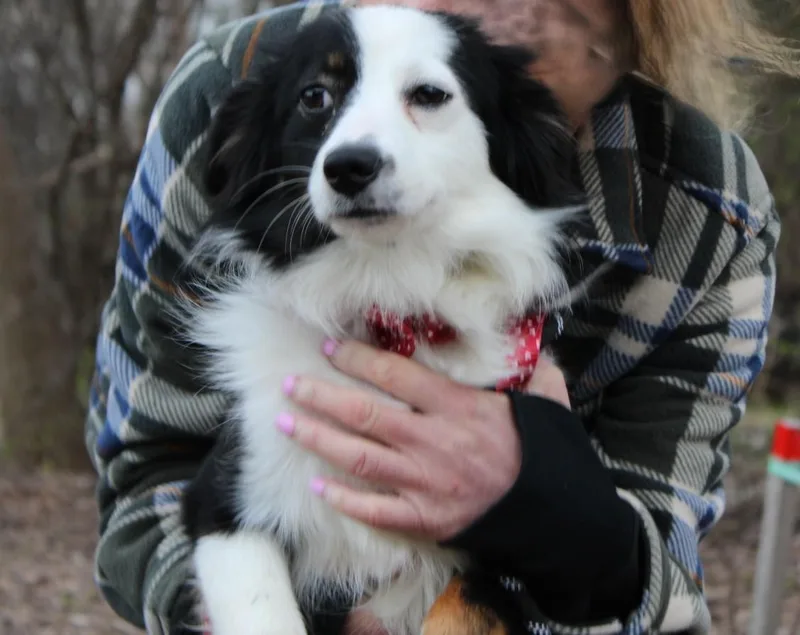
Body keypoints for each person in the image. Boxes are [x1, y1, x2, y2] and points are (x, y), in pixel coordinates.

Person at [84, 0, 795, 633]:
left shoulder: (713, 208)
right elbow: (147, 480)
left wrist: (572, 531)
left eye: (427, 93)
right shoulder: (229, 84)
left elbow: (665, 575)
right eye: (323, 100)